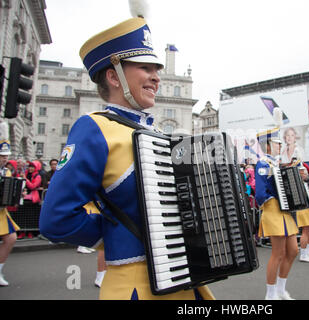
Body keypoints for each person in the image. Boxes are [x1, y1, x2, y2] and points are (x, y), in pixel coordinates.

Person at [39, 11, 214, 300]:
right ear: (114, 76)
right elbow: (56, 219)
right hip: (135, 286)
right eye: (146, 68)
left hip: (185, 281)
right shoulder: (94, 128)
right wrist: (120, 235)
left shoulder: (156, 132)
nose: (156, 78)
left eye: (156, 70)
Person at [255, 128, 298, 300]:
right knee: (278, 253)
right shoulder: (263, 164)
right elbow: (260, 193)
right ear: (267, 145)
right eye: (276, 143)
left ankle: (281, 289)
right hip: (273, 209)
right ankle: (270, 293)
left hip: (284, 210)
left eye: (280, 143)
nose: (280, 146)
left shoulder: (276, 164)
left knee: (293, 251)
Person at [0, 136, 20, 286]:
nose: (4, 159)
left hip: (1, 212)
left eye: (5, 156)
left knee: (11, 238)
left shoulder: (6, 172)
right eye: (1, 156)